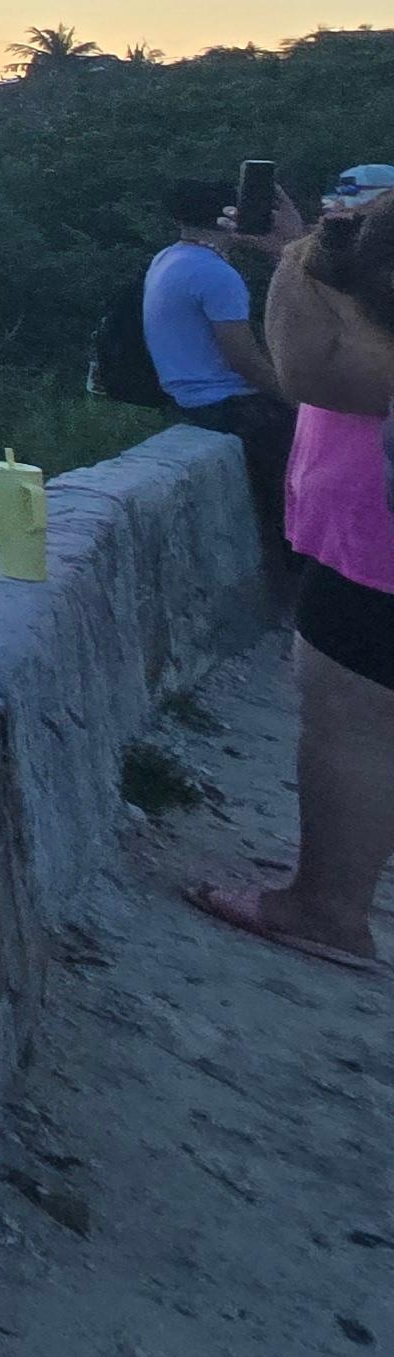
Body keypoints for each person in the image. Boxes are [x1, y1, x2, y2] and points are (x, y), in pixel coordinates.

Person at [191, 168, 394, 971]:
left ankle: (326, 909)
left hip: (373, 541)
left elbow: (313, 368)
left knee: (351, 717)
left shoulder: (354, 334)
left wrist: (302, 259)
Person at [144, 175, 306, 594]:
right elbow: (244, 360)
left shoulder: (168, 259)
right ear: (228, 216)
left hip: (188, 402)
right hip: (230, 406)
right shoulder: (217, 275)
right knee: (300, 491)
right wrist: (299, 400)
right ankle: (303, 587)